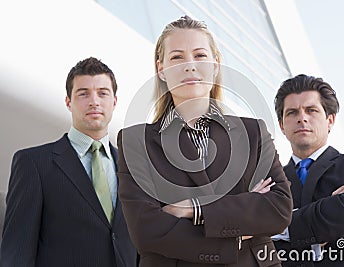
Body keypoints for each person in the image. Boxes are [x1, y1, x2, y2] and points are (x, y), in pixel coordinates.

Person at [117, 16, 293, 266]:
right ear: (161, 70)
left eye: (199, 55)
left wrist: (193, 208)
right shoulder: (136, 141)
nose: (189, 65)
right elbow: (146, 231)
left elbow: (278, 208)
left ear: (215, 64)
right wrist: (240, 224)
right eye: (177, 57)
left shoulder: (253, 132)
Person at [0, 57, 138, 267]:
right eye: (83, 94)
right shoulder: (33, 164)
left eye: (103, 93)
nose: (94, 101)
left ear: (114, 102)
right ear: (68, 102)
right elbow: (16, 252)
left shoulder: (133, 169)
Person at [272, 74, 344, 266]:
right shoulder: (271, 183)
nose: (302, 118)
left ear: (330, 120)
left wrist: (276, 227)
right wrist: (330, 211)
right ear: (282, 126)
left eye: (311, 110)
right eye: (292, 112)